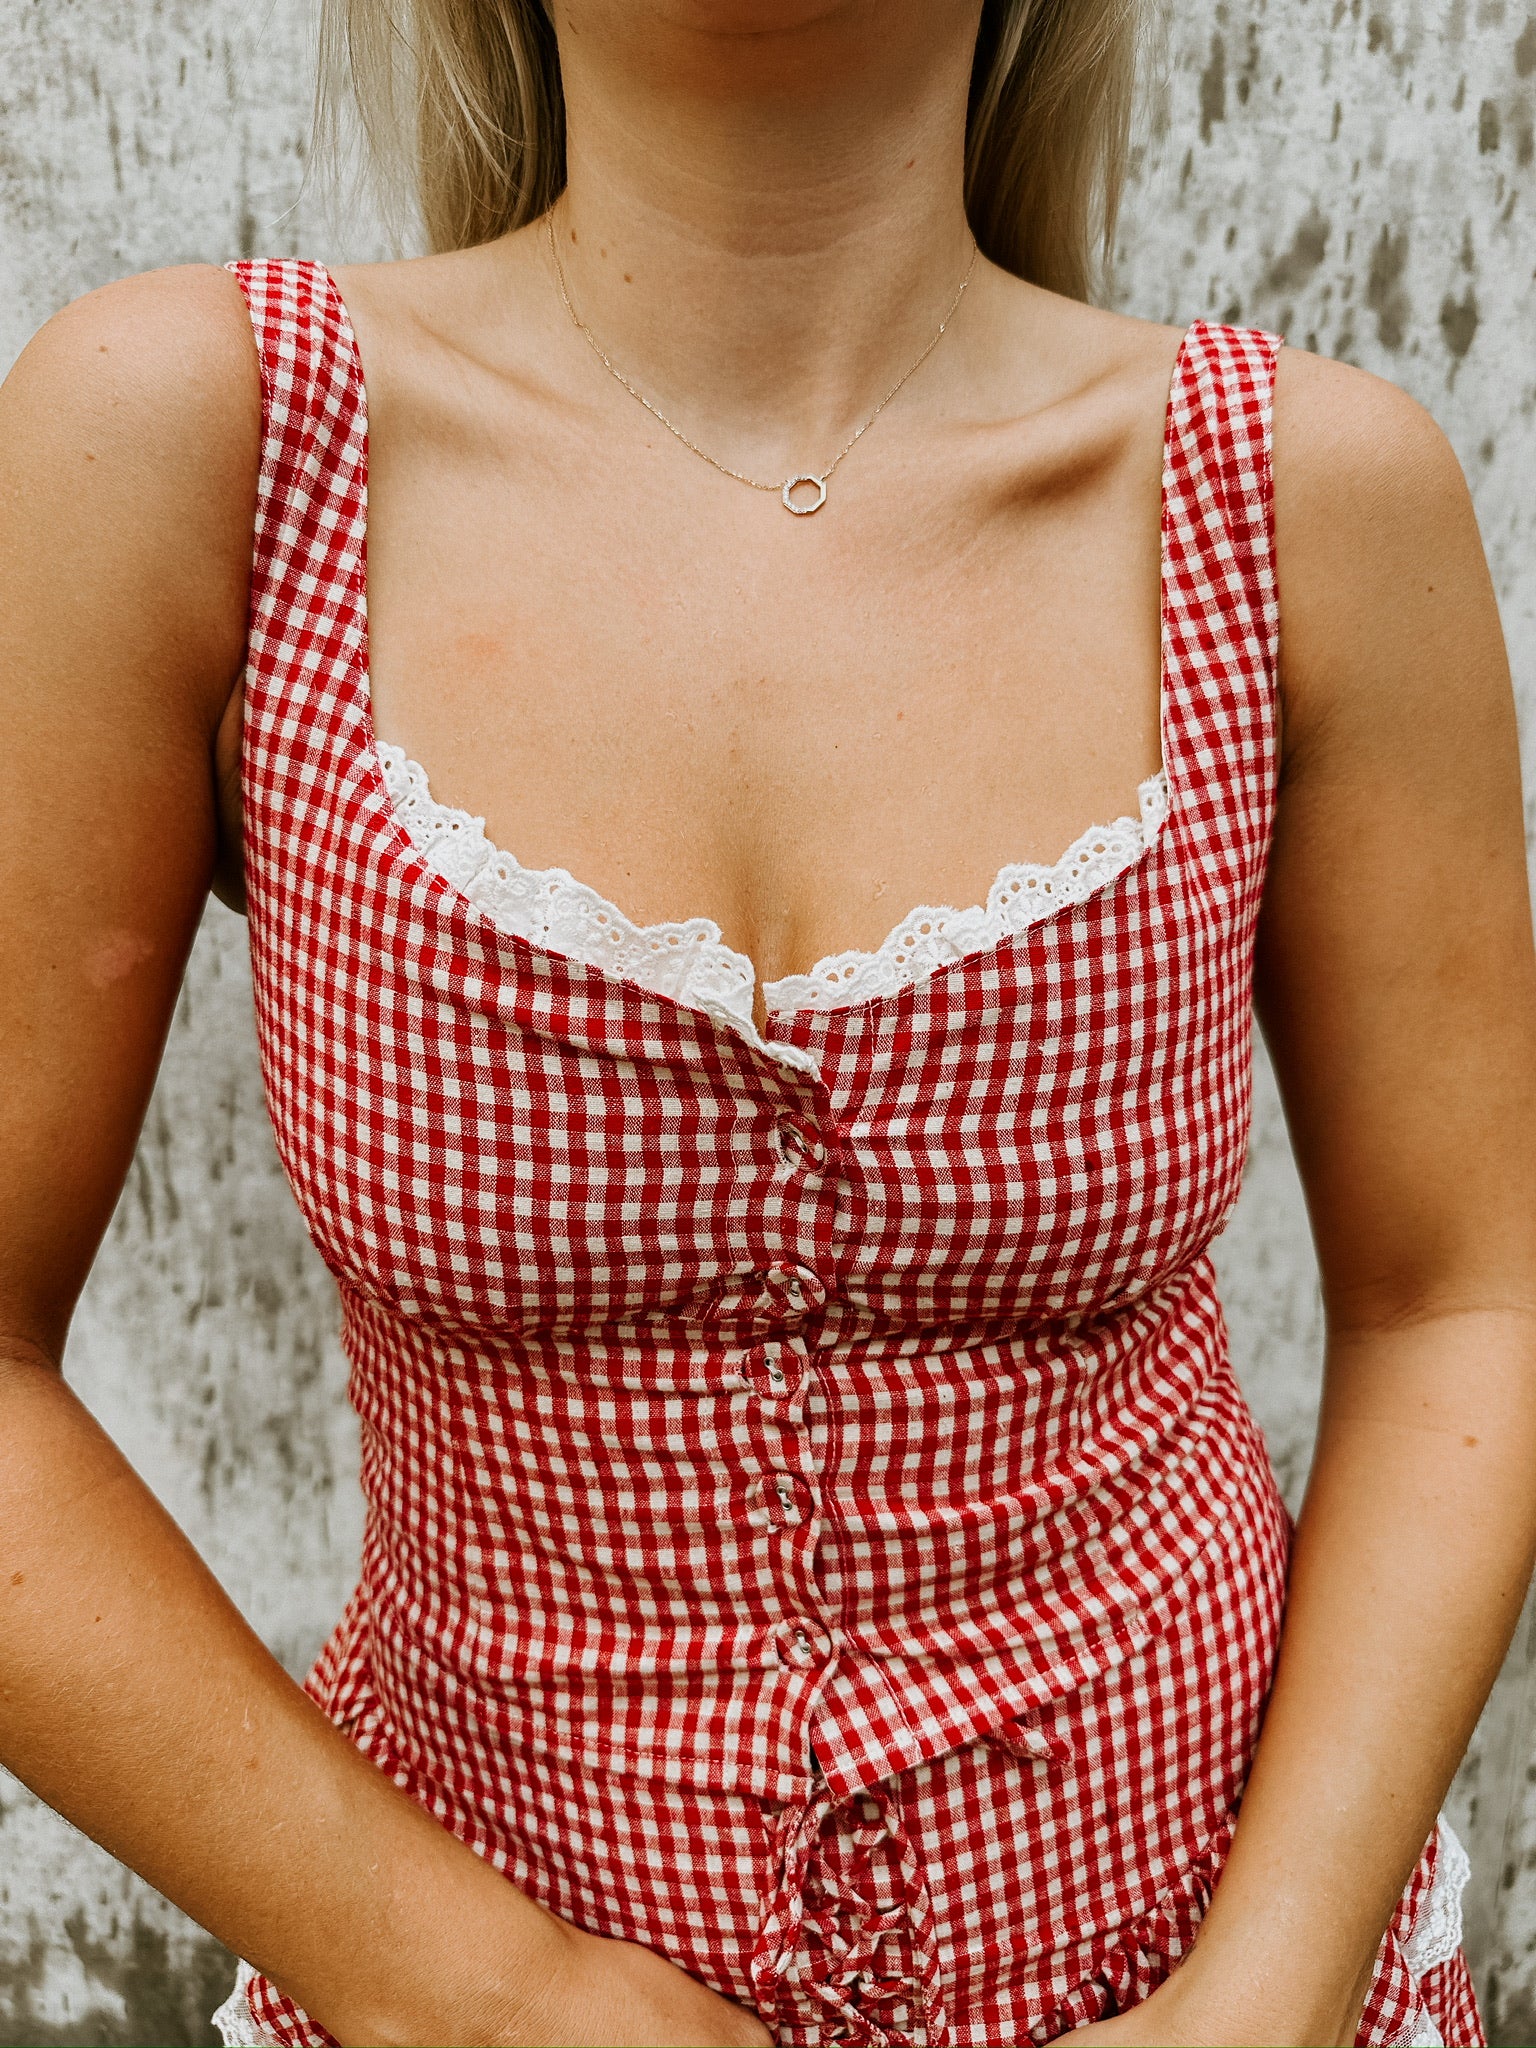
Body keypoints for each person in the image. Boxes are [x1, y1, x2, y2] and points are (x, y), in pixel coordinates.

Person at [2, 1, 1534, 2042]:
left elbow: (1465, 1298)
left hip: (1210, 1970)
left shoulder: (1305, 505)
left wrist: (1260, 1995)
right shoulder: (206, 441)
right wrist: (472, 1984)